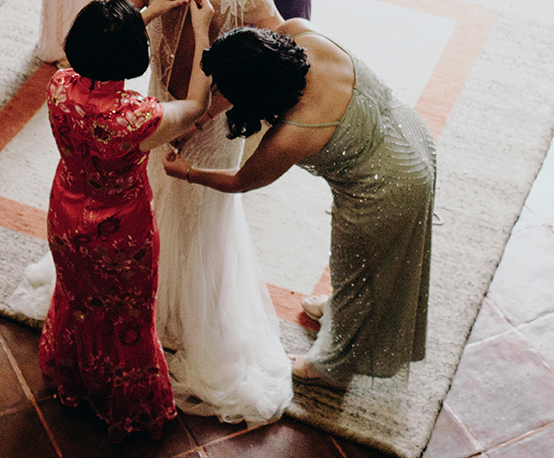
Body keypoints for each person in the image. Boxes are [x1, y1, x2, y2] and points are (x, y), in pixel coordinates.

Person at [163, 24, 435, 388]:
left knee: (361, 272)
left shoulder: (292, 132)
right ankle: (339, 308)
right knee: (355, 266)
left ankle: (330, 369)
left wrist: (189, 172)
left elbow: (242, 180)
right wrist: (202, 119)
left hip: (386, 188)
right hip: (410, 136)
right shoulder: (299, 34)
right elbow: (246, 72)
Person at [118, 0, 293, 424]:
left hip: (158, 118)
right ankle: (193, 319)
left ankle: (149, 303)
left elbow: (109, 29)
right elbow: (285, 58)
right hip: (213, 128)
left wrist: (148, 15)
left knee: (155, 203)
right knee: (203, 220)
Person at [38, 0, 213, 442]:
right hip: (120, 231)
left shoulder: (57, 85)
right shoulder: (137, 117)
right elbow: (195, 105)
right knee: (128, 314)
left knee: (77, 299)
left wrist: (141, 15)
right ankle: (128, 405)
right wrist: (204, 31)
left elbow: (88, 55)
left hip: (65, 215)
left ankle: (75, 381)